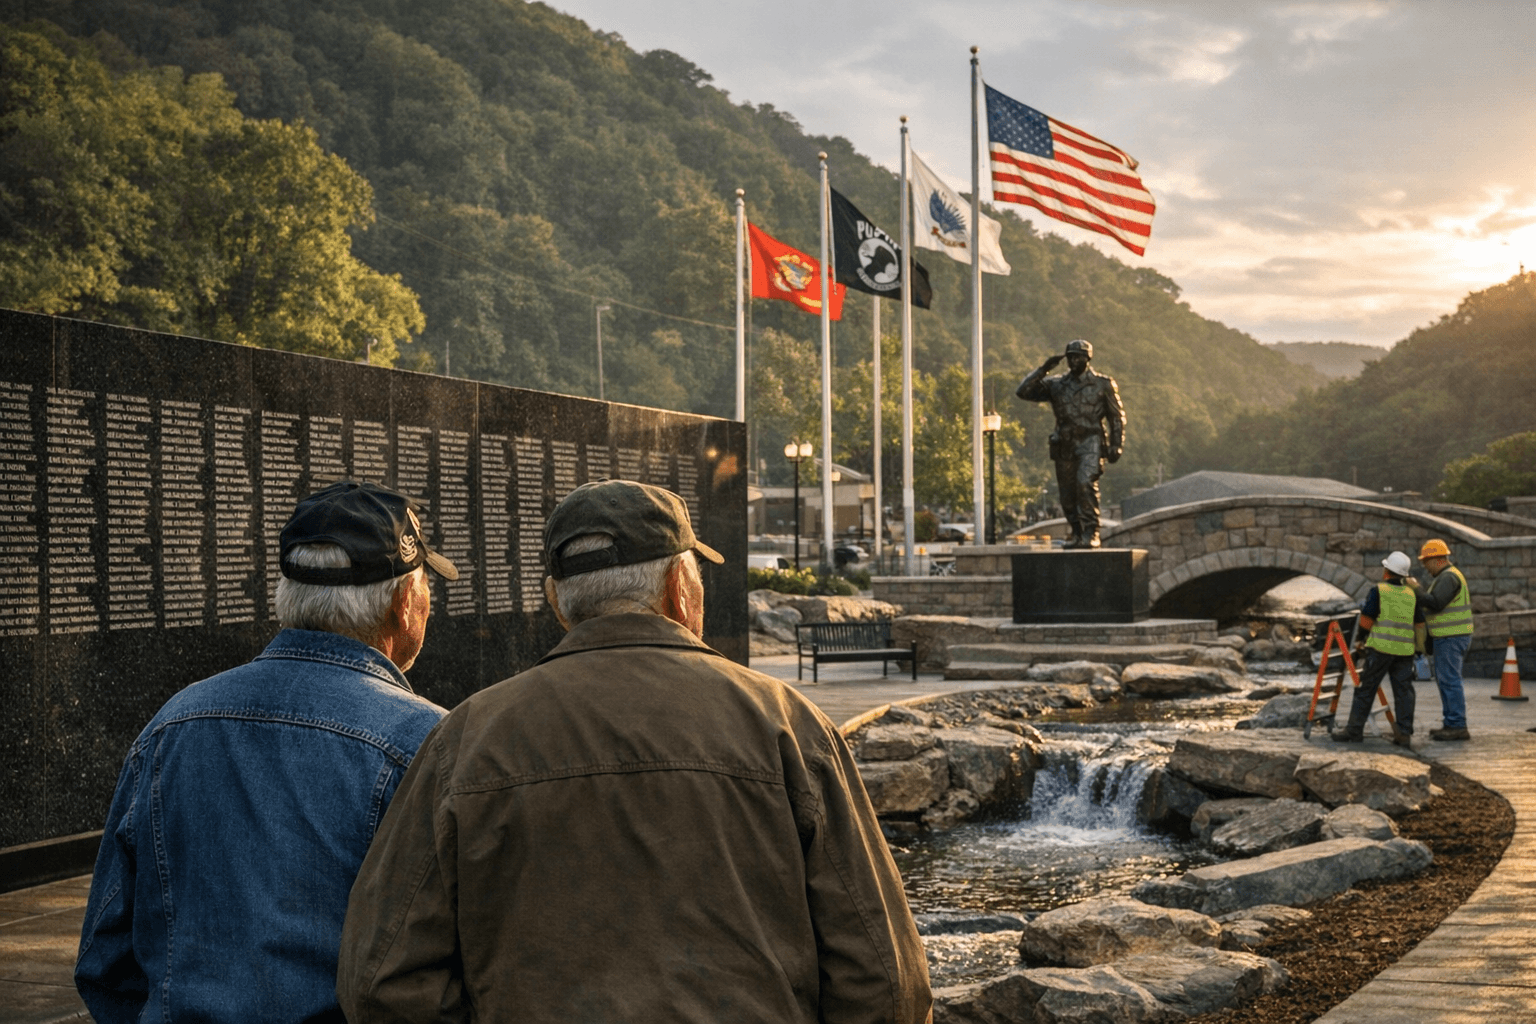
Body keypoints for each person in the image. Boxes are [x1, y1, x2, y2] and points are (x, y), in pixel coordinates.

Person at [337, 479, 932, 1024]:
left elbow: (382, 978)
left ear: (557, 601)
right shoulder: (786, 724)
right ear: (680, 588)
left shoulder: (465, 739)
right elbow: (885, 977)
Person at [75, 481, 457, 1023]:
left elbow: (105, 960)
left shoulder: (172, 726)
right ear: (403, 605)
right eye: (426, 591)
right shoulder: (429, 744)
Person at [1014, 339, 1127, 548]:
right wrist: (1044, 369)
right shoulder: (1056, 384)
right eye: (1071, 357)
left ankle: (1091, 532)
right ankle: (1076, 533)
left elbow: (1117, 417)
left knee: (1085, 483)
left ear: (1088, 358)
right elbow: (1023, 392)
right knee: (1067, 495)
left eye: (1079, 357)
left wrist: (1115, 444)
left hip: (1090, 440)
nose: (1074, 361)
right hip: (1065, 443)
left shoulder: (1103, 384)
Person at [1332, 550, 1426, 747]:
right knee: (1404, 692)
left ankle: (1354, 730)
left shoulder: (1379, 591)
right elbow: (1419, 624)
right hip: (1404, 651)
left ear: (1387, 571)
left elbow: (1367, 619)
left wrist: (1359, 641)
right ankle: (1404, 734)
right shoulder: (1411, 594)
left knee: (1366, 688)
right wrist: (1419, 648)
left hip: (1381, 649)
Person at [1416, 538, 1474, 741]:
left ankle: (1457, 725)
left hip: (1451, 637)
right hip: (1448, 637)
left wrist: (1416, 590)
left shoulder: (1448, 577)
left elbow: (1436, 603)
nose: (1424, 566)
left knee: (1449, 680)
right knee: (1447, 680)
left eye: (1426, 562)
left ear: (1436, 559)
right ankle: (1451, 722)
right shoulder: (1445, 577)